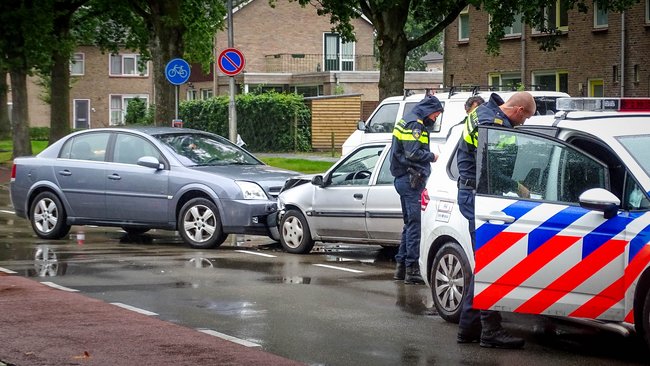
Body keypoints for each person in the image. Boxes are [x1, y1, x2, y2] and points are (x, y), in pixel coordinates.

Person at [455, 91, 536, 348]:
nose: (523, 124)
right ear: (519, 110)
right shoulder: (492, 125)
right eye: (525, 119)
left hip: (472, 193)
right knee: (490, 262)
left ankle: (468, 328)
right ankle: (490, 330)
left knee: (483, 262)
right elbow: (490, 169)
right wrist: (518, 186)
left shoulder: (483, 112)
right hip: (476, 195)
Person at [389, 95, 443, 284]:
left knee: (409, 225)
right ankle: (412, 270)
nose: (435, 119)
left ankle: (401, 267)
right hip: (411, 179)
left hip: (403, 178)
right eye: (435, 115)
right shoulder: (416, 124)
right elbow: (413, 153)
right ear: (429, 111)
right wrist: (432, 156)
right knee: (415, 226)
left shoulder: (406, 119)